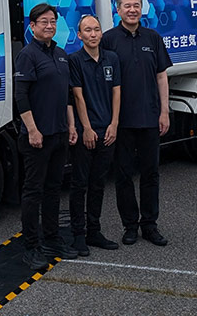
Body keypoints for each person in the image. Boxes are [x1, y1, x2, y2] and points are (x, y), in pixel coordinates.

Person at [100, 0, 172, 247]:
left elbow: (161, 76)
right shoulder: (108, 40)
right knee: (123, 176)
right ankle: (129, 226)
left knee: (151, 174)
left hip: (150, 117)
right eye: (127, 6)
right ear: (118, 10)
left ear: (142, 9)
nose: (132, 10)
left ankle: (150, 225)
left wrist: (164, 111)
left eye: (136, 5)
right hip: (121, 121)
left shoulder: (153, 38)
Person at [15, 3, 79, 271]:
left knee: (54, 189)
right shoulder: (27, 55)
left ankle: (52, 239)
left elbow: (67, 95)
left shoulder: (61, 55)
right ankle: (31, 247)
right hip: (37, 137)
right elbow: (21, 96)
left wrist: (71, 126)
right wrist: (32, 129)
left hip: (59, 133)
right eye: (44, 22)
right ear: (32, 26)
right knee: (33, 191)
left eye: (53, 21)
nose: (50, 26)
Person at [68, 14, 121, 256]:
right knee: (80, 184)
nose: (93, 34)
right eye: (88, 30)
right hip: (86, 133)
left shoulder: (112, 58)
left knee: (98, 184)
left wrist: (114, 124)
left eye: (97, 29)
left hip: (107, 131)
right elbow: (78, 96)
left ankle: (94, 231)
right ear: (79, 35)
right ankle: (78, 235)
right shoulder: (75, 61)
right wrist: (86, 128)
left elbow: (117, 92)